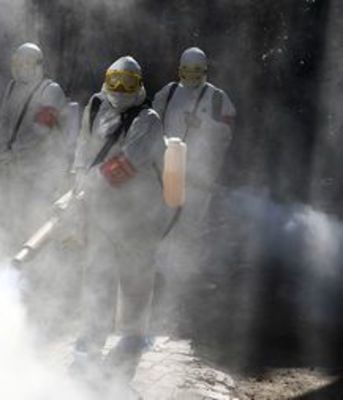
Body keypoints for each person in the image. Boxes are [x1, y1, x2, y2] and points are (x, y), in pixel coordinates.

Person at [70, 56, 169, 381]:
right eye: (115, 81)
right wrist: (77, 181)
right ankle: (91, 340)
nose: (120, 89)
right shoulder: (96, 106)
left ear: (139, 85)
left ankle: (132, 338)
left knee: (135, 278)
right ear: (107, 79)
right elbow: (83, 148)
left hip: (137, 214)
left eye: (128, 83)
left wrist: (90, 183)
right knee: (97, 275)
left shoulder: (148, 119)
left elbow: (127, 164)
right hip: (101, 210)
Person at [0, 42, 77, 240]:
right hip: (17, 166)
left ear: (37, 65)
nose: (20, 67)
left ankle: (41, 256)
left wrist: (13, 152)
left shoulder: (50, 90)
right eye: (18, 62)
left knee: (37, 214)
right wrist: (4, 148)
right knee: (15, 214)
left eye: (26, 63)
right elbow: (4, 121)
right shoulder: (12, 87)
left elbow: (41, 130)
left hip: (43, 169)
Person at [153, 47, 235, 243]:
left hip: (199, 176)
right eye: (187, 71)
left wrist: (203, 124)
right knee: (162, 223)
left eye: (196, 72)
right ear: (180, 70)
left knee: (190, 229)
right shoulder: (170, 91)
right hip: (167, 170)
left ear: (204, 71)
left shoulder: (217, 97)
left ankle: (188, 261)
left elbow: (227, 133)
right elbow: (152, 120)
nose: (191, 77)